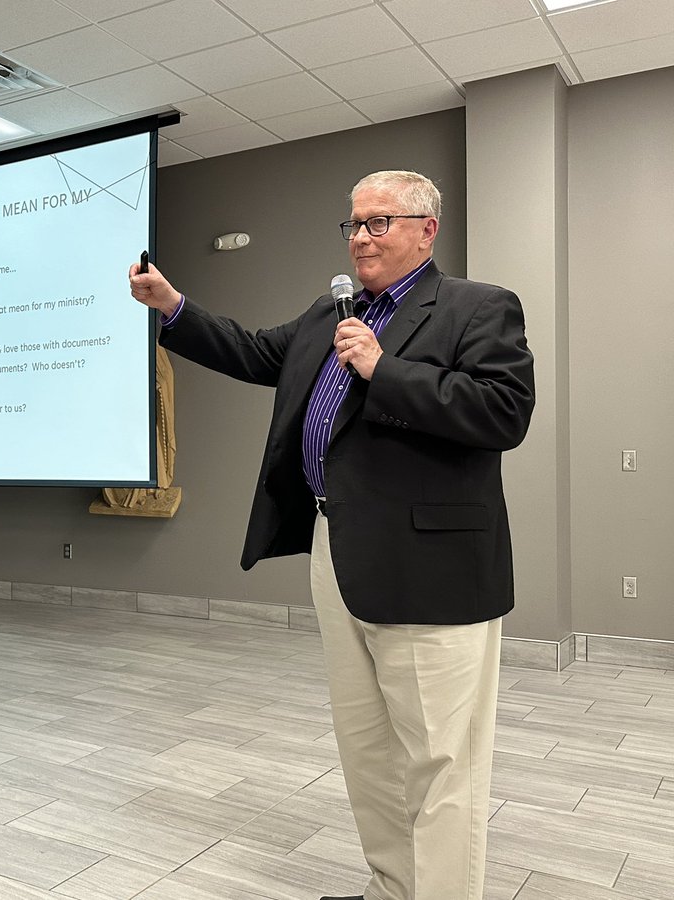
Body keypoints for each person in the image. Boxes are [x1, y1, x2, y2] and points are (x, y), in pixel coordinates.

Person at [128, 170, 534, 900]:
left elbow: (504, 412)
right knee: (368, 749)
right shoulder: (331, 311)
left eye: (379, 223)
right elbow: (256, 352)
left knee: (443, 761)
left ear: (425, 229)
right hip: (337, 548)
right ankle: (391, 887)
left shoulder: (477, 307)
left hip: (431, 567)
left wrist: (387, 370)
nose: (361, 237)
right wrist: (174, 307)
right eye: (352, 224)